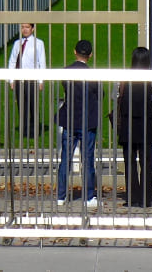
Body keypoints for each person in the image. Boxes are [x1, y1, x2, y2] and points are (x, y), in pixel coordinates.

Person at [56, 39, 101, 210]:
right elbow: (99, 94)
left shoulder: (66, 71)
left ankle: (61, 195)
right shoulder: (93, 75)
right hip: (87, 120)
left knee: (65, 158)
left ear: (75, 52)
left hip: (70, 118)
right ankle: (88, 195)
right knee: (87, 158)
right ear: (90, 55)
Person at [116, 46, 152, 207]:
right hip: (146, 119)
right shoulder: (149, 77)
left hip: (129, 119)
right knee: (146, 161)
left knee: (130, 160)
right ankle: (145, 197)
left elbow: (121, 94)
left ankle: (133, 196)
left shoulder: (127, 76)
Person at [7, 22, 47, 139]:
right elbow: (12, 61)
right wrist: (11, 79)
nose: (24, 29)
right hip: (20, 79)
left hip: (32, 79)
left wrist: (41, 80)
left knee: (33, 105)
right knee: (21, 105)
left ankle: (34, 130)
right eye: (22, 27)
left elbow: (42, 62)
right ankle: (24, 130)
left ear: (33, 29)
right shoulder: (17, 43)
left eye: (27, 27)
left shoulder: (38, 43)